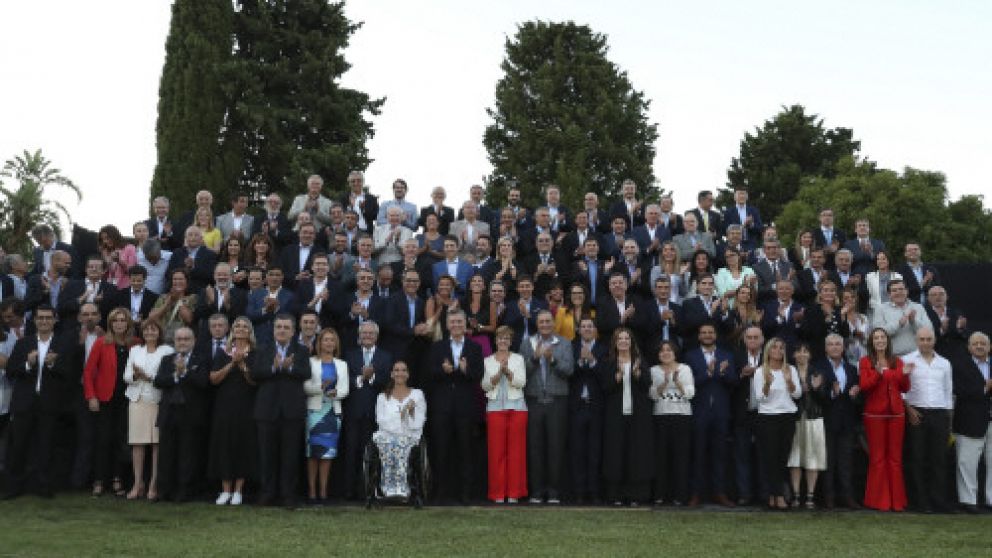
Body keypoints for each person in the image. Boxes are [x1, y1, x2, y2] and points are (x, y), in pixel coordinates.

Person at [2, 305, 69, 499]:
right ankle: (13, 488)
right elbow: (11, 371)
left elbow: (69, 375)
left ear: (55, 320)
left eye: (48, 318)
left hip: (49, 403)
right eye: (41, 318)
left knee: (46, 446)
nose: (44, 321)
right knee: (18, 446)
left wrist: (53, 364)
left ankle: (44, 487)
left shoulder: (63, 344)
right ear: (35, 320)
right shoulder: (24, 343)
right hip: (24, 403)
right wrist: (27, 364)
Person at [250, 314, 310, 507]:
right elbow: (255, 374)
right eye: (278, 327)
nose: (282, 330)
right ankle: (267, 493)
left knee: (290, 456)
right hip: (267, 410)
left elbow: (306, 373)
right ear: (274, 330)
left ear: (293, 331)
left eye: (286, 327)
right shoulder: (263, 349)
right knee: (266, 455)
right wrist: (274, 368)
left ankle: (288, 495)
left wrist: (289, 369)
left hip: (292, 411)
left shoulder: (301, 351)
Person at [428, 310, 484, 503]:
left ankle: (466, 494)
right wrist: (444, 371)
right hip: (442, 407)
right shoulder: (437, 347)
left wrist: (464, 370)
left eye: (460, 321)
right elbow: (430, 373)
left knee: (466, 451)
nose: (456, 325)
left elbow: (478, 376)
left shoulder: (475, 348)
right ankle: (439, 493)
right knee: (441, 451)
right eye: (453, 322)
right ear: (447, 324)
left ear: (465, 323)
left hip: (465, 407)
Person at [521, 309, 574, 504]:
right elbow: (521, 372)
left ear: (553, 323)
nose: (544, 325)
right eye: (541, 322)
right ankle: (536, 491)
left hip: (557, 401)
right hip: (534, 401)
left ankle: (553, 492)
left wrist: (552, 360)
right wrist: (534, 358)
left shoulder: (564, 343)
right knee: (534, 448)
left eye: (548, 321)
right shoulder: (527, 343)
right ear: (537, 324)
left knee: (556, 447)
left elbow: (569, 370)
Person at [83, 307, 136, 497]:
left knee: (121, 441)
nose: (119, 324)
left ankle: (117, 478)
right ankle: (99, 480)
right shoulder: (101, 343)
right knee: (103, 440)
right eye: (116, 320)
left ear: (128, 323)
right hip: (105, 398)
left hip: (127, 400)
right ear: (110, 323)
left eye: (123, 320)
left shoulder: (135, 344)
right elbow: (88, 372)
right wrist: (91, 396)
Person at [153, 325, 207, 503]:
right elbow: (159, 381)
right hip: (169, 413)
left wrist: (185, 372)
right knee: (166, 454)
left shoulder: (201, 359)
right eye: (179, 339)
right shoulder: (167, 359)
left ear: (194, 341)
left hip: (190, 415)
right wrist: (176, 375)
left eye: (186, 339)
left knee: (187, 455)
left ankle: (184, 491)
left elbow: (203, 383)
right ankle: (163, 491)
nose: (182, 342)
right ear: (174, 341)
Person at [207, 317, 257, 506]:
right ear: (232, 330)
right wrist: (231, 363)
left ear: (250, 331)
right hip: (224, 406)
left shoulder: (254, 353)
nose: (241, 329)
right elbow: (213, 378)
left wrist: (242, 364)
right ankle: (225, 490)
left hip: (246, 406)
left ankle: (238, 491)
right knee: (224, 445)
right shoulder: (223, 352)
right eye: (237, 326)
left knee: (243, 446)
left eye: (245, 326)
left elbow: (255, 381)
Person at [601, 327, 653, 505]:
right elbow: (604, 388)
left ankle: (636, 495)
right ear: (615, 342)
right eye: (620, 339)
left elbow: (647, 385)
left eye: (627, 338)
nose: (623, 341)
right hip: (615, 415)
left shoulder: (640, 361)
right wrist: (616, 378)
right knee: (615, 454)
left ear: (631, 342)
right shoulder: (609, 361)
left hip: (638, 416)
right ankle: (615, 495)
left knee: (636, 454)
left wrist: (638, 375)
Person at [902, 327, 953, 513]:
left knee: (938, 460)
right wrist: (909, 410)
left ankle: (938, 501)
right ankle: (921, 502)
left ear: (934, 340)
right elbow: (901, 390)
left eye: (928, 339)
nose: (925, 342)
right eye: (922, 339)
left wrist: (949, 419)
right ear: (916, 340)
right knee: (917, 458)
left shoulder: (945, 363)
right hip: (917, 414)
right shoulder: (907, 360)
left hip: (940, 414)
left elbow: (948, 391)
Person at [860, 327, 910, 511]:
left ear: (887, 340)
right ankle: (878, 501)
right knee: (877, 459)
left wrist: (903, 374)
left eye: (882, 337)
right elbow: (864, 385)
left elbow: (905, 388)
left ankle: (897, 502)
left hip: (896, 414)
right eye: (876, 338)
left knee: (895, 459)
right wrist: (879, 373)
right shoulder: (865, 361)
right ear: (871, 342)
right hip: (875, 415)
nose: (880, 340)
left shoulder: (897, 361)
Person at [122, 319, 174, 501]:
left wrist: (148, 376)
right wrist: (136, 375)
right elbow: (126, 375)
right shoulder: (135, 350)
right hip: (137, 400)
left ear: (159, 332)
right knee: (137, 444)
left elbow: (167, 375)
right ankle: (138, 483)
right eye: (146, 329)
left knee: (156, 444)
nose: (150, 332)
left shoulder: (167, 351)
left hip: (156, 400)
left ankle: (153, 484)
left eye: (153, 329)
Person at [687, 323, 737, 507]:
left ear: (716, 335)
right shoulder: (690, 356)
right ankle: (695, 493)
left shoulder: (727, 355)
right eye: (704, 333)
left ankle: (719, 493)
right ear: (699, 336)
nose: (707, 335)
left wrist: (723, 373)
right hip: (699, 411)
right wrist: (708, 373)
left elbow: (733, 382)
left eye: (710, 332)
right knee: (698, 453)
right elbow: (689, 384)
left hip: (721, 412)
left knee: (720, 454)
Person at [343, 321, 392, 500]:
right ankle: (349, 491)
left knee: (371, 453)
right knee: (351, 452)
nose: (367, 336)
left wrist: (371, 379)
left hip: (375, 413)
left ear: (377, 336)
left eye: (371, 333)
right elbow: (343, 380)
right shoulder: (349, 355)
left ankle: (368, 490)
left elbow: (388, 382)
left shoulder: (385, 357)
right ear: (359, 335)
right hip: (353, 411)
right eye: (364, 333)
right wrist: (360, 378)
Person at [751, 337, 802, 510]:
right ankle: (778, 495)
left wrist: (789, 381)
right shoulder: (760, 371)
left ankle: (774, 495)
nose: (778, 351)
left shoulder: (790, 369)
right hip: (767, 418)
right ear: (768, 351)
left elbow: (797, 395)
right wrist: (767, 384)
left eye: (781, 348)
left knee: (782, 457)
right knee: (770, 458)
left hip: (787, 417)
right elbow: (760, 398)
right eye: (775, 348)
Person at [303, 328, 349, 504]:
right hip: (314, 412)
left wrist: (334, 393)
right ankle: (312, 492)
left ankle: (323, 492)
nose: (329, 343)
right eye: (326, 340)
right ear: (319, 343)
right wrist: (321, 387)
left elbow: (345, 390)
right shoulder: (310, 362)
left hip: (332, 413)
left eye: (332, 340)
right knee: (313, 453)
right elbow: (306, 386)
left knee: (328, 454)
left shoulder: (342, 364)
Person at [482, 326, 528, 504]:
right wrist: (496, 376)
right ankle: (498, 493)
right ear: (496, 340)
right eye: (500, 338)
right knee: (496, 453)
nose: (503, 341)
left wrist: (508, 373)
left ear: (510, 341)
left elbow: (521, 382)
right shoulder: (488, 360)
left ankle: (514, 493)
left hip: (517, 408)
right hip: (494, 409)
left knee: (516, 453)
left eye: (506, 338)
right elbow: (485, 385)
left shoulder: (518, 359)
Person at [816, 334, 861, 509]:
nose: (834, 347)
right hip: (827, 420)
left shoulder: (851, 369)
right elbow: (816, 394)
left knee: (846, 462)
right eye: (831, 344)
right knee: (828, 461)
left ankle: (847, 496)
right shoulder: (819, 366)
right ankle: (828, 497)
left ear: (843, 348)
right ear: (826, 347)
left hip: (847, 421)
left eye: (837, 344)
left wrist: (855, 394)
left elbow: (858, 396)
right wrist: (832, 393)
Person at [372, 361, 427, 502]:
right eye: (396, 370)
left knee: (401, 443)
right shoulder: (382, 397)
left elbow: (419, 423)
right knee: (390, 442)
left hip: (409, 436)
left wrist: (411, 412)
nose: (400, 373)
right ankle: (387, 488)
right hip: (386, 435)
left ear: (407, 374)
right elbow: (381, 421)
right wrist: (401, 415)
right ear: (392, 374)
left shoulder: (417, 394)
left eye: (403, 370)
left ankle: (402, 488)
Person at [649, 341, 694, 506]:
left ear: (675, 353)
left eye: (669, 350)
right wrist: (665, 383)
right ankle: (660, 495)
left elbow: (690, 394)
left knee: (681, 458)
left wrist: (678, 382)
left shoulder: (685, 369)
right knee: (661, 457)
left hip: (682, 416)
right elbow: (653, 395)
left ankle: (680, 496)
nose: (665, 353)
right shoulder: (653, 371)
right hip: (661, 416)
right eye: (662, 350)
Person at [951, 332, 991, 514]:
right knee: (967, 463)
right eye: (975, 343)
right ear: (969, 347)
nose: (980, 346)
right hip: (969, 420)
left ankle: (990, 500)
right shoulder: (959, 366)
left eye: (983, 343)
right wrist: (984, 388)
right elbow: (959, 390)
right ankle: (968, 501)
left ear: (989, 347)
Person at [787, 344, 828, 509]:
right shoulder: (788, 371)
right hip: (794, 418)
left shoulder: (817, 372)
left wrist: (816, 389)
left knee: (813, 457)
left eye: (805, 351)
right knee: (794, 457)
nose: (802, 354)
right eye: (798, 351)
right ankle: (796, 495)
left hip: (814, 419)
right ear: (794, 354)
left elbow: (825, 399)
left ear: (810, 355)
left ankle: (810, 495)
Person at [872, 279, 933, 357]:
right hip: (892, 357)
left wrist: (914, 322)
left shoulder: (918, 307)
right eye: (894, 290)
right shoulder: (880, 309)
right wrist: (899, 324)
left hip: (917, 357)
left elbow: (929, 331)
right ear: (889, 294)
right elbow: (878, 334)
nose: (898, 292)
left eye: (901, 289)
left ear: (907, 291)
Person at [148, 268, 197, 344]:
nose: (177, 282)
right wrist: (167, 303)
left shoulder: (192, 298)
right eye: (175, 279)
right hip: (163, 338)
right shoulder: (163, 298)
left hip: (182, 339)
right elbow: (152, 317)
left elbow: (189, 319)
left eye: (181, 279)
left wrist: (179, 298)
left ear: (187, 282)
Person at [864, 250, 902, 320]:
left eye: (883, 259)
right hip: (875, 311)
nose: (880, 261)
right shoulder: (869, 276)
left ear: (888, 260)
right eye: (878, 259)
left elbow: (899, 295)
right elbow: (870, 294)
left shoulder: (898, 276)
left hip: (894, 311)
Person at [97, 225, 138, 289]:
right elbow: (105, 273)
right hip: (111, 287)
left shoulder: (130, 248)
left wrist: (119, 261)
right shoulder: (106, 252)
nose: (105, 241)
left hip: (125, 288)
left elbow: (132, 271)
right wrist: (105, 260)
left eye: (107, 238)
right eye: (103, 239)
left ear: (114, 235)